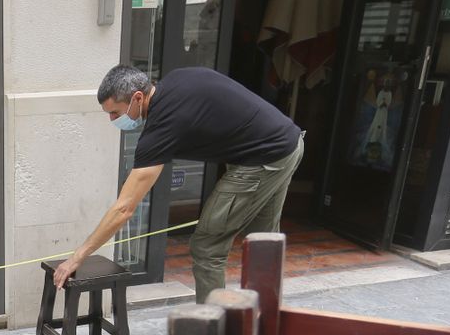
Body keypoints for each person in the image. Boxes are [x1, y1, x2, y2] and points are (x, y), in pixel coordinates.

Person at [54, 64, 303, 309]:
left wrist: (77, 257)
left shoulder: (162, 126)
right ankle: (265, 325)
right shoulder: (176, 80)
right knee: (264, 243)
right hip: (289, 143)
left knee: (207, 247)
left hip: (262, 161)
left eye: (115, 113)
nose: (112, 120)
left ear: (137, 98)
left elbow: (124, 209)